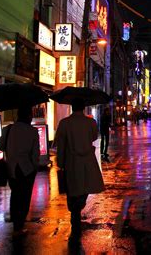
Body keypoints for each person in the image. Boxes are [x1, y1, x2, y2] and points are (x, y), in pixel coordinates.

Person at [55, 99, 105, 238]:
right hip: (87, 160)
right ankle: (79, 206)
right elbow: (94, 136)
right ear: (84, 107)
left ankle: (75, 212)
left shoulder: (64, 123)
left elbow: (61, 144)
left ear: (72, 106)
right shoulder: (91, 122)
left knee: (73, 188)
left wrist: (61, 161)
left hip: (71, 161)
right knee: (85, 187)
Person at [0, 106, 40, 237]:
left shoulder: (8, 129)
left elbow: (0, 146)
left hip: (11, 168)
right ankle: (19, 224)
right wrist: (34, 166)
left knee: (15, 194)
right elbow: (35, 153)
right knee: (25, 196)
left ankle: (16, 224)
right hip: (26, 168)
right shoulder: (32, 131)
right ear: (28, 116)